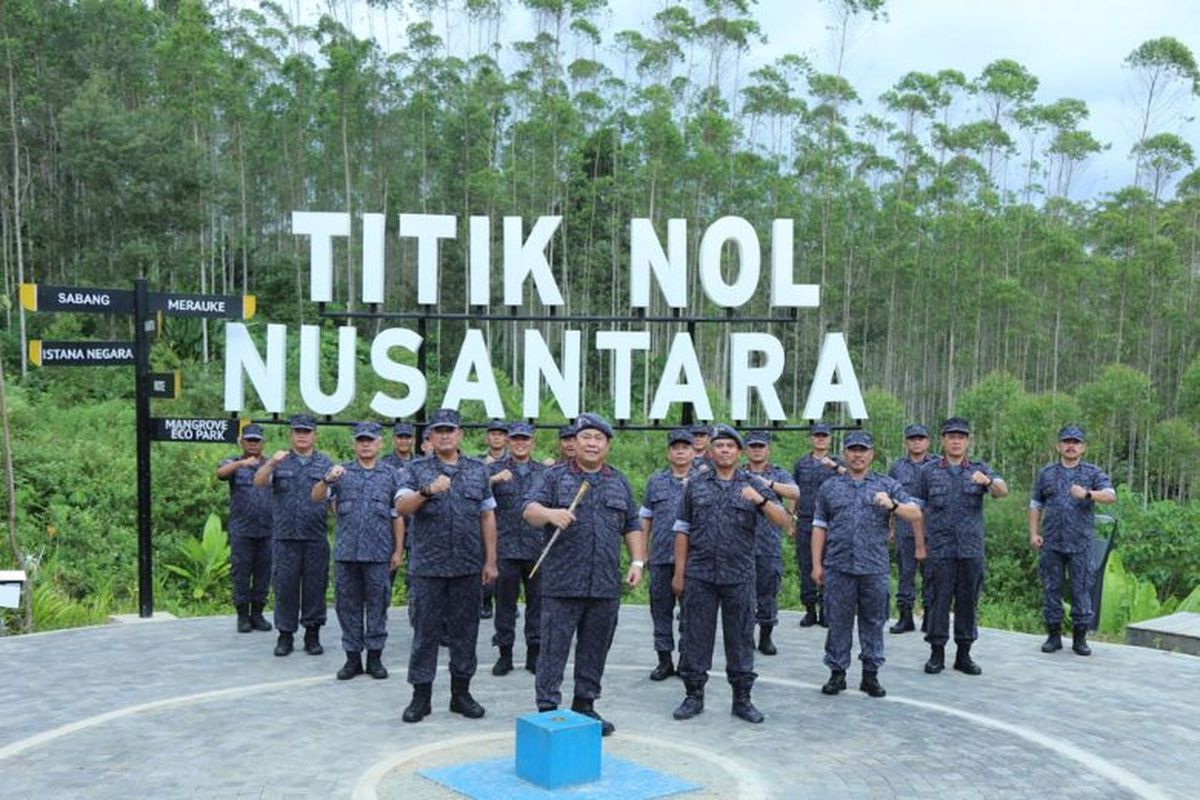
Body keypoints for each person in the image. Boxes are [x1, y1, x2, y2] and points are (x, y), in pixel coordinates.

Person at [523, 412, 646, 736]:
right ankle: (548, 709)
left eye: (598, 439)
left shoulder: (618, 481)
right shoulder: (553, 477)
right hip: (562, 583)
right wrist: (551, 513)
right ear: (573, 444)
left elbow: (632, 524)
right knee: (552, 649)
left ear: (607, 445)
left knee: (595, 649)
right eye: (585, 438)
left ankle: (585, 704)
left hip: (604, 584)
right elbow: (529, 511)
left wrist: (637, 562)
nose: (592, 443)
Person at [670, 424, 790, 724]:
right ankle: (693, 695)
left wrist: (760, 499)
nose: (724, 450)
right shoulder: (695, 485)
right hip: (700, 575)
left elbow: (785, 522)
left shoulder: (754, 483)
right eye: (719, 445)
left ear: (739, 452)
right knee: (696, 636)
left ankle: (742, 698)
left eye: (730, 446)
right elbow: (682, 530)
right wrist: (679, 573)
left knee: (740, 638)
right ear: (710, 451)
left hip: (739, 575)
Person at [395, 408, 498, 722]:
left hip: (467, 566)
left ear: (460, 434)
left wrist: (490, 559)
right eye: (438, 430)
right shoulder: (415, 470)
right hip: (428, 567)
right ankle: (420, 698)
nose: (444, 435)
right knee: (425, 634)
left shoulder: (478, 471)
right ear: (429, 436)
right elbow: (401, 507)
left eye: (450, 430)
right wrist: (427, 491)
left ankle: (461, 694)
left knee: (466, 632)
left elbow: (487, 514)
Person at [812, 431, 923, 699]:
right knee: (838, 621)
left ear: (871, 454)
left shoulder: (887, 485)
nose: (858, 455)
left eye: (863, 450)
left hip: (874, 568)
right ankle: (837, 673)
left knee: (873, 621)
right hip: (838, 566)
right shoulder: (830, 487)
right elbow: (819, 526)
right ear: (845, 454)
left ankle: (870, 675)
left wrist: (893, 504)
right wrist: (816, 564)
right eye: (852, 450)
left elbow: (916, 512)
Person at [914, 417, 1007, 676]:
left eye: (961, 437)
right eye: (951, 436)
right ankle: (936, 653)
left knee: (968, 602)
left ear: (967, 441)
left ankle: (964, 654)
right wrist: (920, 545)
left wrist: (987, 482)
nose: (956, 441)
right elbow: (917, 511)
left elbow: (1003, 491)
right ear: (943, 440)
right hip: (940, 549)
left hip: (970, 549)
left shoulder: (979, 469)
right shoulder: (928, 471)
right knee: (937, 600)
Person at [311, 422, 404, 681]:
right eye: (361, 440)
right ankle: (352, 658)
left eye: (370, 440)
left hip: (378, 554)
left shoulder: (391, 475)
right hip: (347, 554)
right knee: (347, 606)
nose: (365, 444)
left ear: (379, 443)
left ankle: (375, 657)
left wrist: (398, 550)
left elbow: (397, 515)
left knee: (378, 606)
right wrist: (326, 479)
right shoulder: (341, 473)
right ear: (355, 443)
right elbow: (317, 496)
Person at [1029, 425, 1116, 656]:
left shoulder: (1092, 473)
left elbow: (1110, 495)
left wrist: (1088, 494)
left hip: (1080, 544)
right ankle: (1053, 636)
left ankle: (1080, 639)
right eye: (1066, 442)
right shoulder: (1046, 473)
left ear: (1083, 447)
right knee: (1051, 589)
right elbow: (1035, 505)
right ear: (1058, 446)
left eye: (1075, 442)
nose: (1071, 446)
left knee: (1081, 590)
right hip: (1052, 543)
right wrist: (1033, 533)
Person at [254, 414, 333, 657]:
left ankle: (312, 635)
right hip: (285, 537)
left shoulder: (325, 463)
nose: (302, 435)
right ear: (291, 434)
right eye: (297, 431)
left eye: (306, 431)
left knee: (315, 588)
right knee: (285, 587)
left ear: (314, 435)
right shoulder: (279, 461)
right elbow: (258, 482)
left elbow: (333, 498)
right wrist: (270, 465)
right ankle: (285, 635)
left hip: (314, 536)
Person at [488, 421, 546, 676]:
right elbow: (475, 496)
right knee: (505, 605)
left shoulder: (545, 473)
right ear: (509, 442)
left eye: (525, 439)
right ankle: (505, 654)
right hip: (506, 548)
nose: (520, 443)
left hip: (537, 549)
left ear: (532, 442)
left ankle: (534, 653)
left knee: (538, 604)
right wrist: (491, 480)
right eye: (516, 439)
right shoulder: (495, 470)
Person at [638, 428, 694, 680]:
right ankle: (664, 660)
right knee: (660, 610)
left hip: (694, 560)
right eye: (675, 447)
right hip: (660, 556)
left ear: (693, 451)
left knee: (691, 614)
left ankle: (685, 660)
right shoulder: (655, 481)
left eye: (685, 447)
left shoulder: (704, 480)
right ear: (668, 452)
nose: (680, 451)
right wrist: (642, 550)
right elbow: (646, 517)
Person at [743, 430, 799, 656]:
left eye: (761, 446)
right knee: (741, 594)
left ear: (768, 449)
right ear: (746, 449)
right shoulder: (736, 473)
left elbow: (795, 492)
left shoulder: (778, 474)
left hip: (768, 543)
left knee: (768, 592)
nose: (757, 449)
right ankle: (745, 636)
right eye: (753, 445)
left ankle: (766, 636)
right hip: (740, 544)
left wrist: (769, 484)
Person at [215, 423, 273, 633]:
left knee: (263, 574)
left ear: (263, 443)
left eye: (257, 440)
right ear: (242, 442)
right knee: (241, 573)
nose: (253, 444)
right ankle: (242, 616)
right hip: (242, 529)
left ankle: (257, 613)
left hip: (268, 530)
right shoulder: (233, 462)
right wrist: (241, 464)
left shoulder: (271, 464)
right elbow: (220, 473)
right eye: (249, 440)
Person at [792, 422, 846, 627]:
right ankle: (809, 609)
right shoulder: (801, 463)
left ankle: (826, 609)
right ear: (811, 438)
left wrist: (836, 467)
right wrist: (791, 520)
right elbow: (794, 491)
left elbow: (854, 478)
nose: (820, 439)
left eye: (824, 435)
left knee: (830, 566)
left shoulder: (839, 462)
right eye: (817, 436)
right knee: (806, 565)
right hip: (806, 520)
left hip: (832, 523)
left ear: (830, 439)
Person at [887, 424, 936, 634]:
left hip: (933, 530)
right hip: (905, 529)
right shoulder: (897, 467)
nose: (917, 442)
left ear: (928, 442)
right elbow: (890, 499)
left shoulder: (936, 465)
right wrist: (889, 527)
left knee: (932, 575)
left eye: (921, 438)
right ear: (906, 442)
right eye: (912, 438)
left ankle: (929, 616)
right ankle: (905, 617)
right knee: (906, 574)